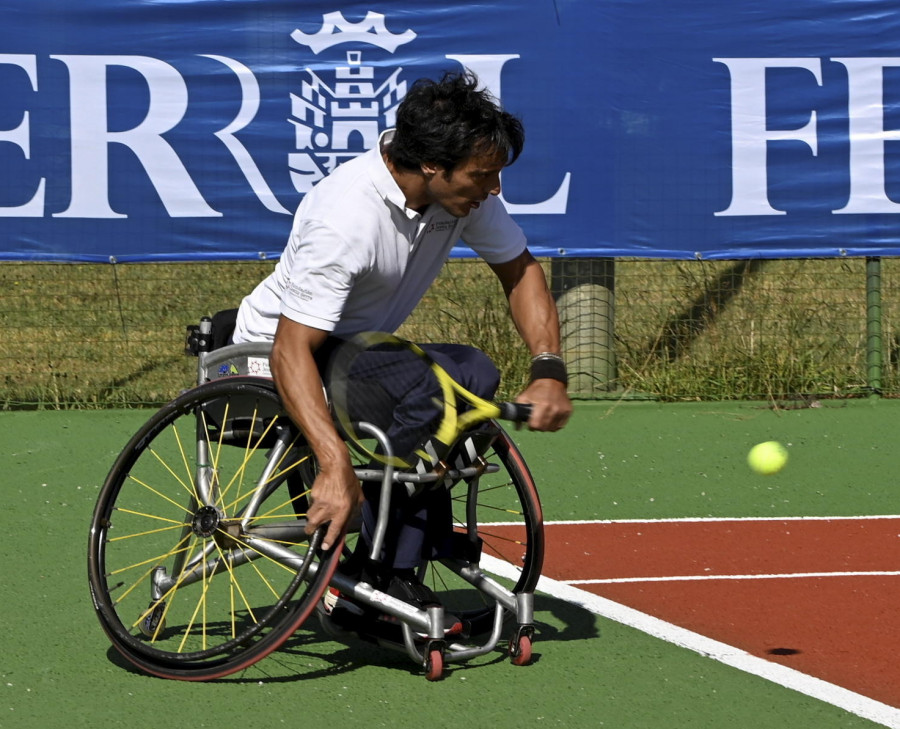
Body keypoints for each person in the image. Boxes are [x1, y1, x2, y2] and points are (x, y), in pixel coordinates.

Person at [232, 70, 572, 617]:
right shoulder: (345, 216)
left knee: (474, 372)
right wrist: (332, 462)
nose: (495, 189)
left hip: (355, 353)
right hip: (268, 355)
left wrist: (549, 368)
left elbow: (520, 270)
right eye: (483, 175)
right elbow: (289, 350)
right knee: (433, 391)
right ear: (433, 165)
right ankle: (383, 570)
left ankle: (392, 550)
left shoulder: (464, 194)